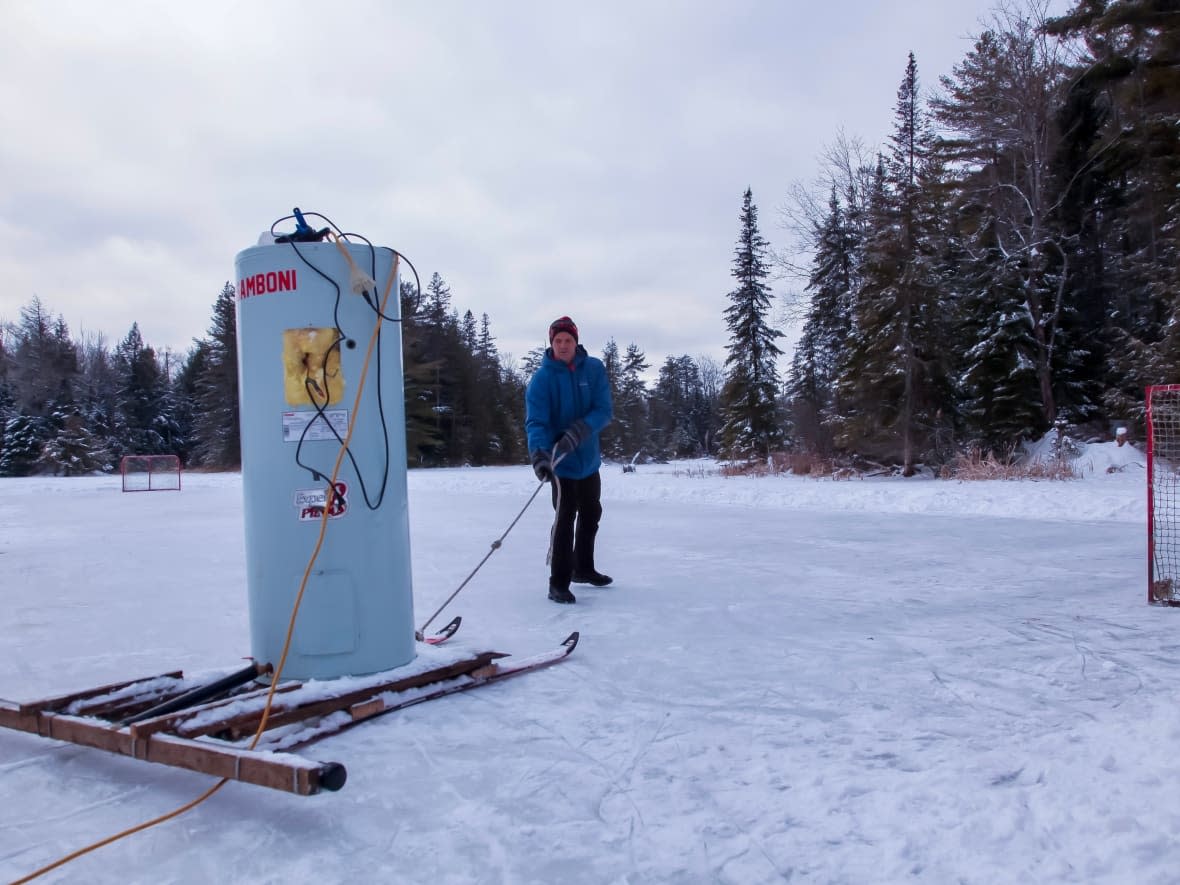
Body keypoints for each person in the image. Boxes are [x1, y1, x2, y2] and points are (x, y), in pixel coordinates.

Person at [525, 316, 614, 604]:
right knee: (565, 519)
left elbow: (604, 410)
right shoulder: (541, 380)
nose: (563, 345)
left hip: (588, 460)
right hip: (561, 462)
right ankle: (558, 582)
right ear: (551, 344)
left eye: (568, 340)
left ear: (577, 342)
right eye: (558, 341)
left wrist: (580, 430)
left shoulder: (594, 369)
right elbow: (536, 422)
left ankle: (583, 569)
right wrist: (539, 454)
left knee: (591, 514)